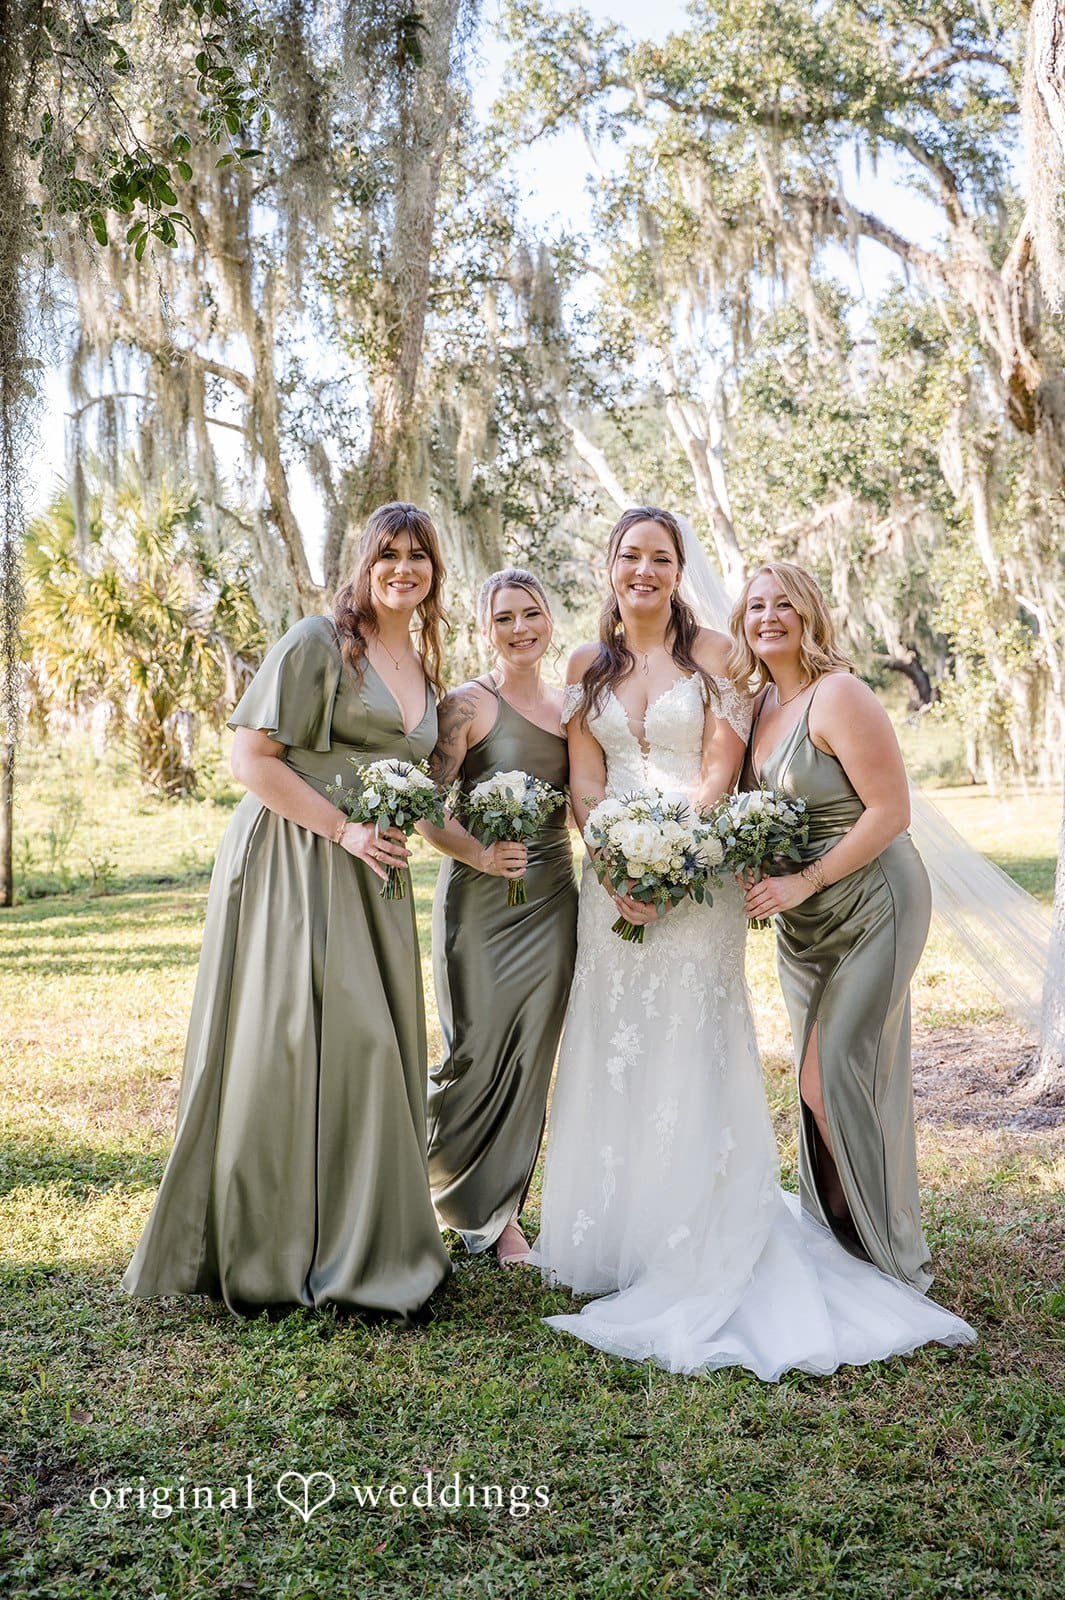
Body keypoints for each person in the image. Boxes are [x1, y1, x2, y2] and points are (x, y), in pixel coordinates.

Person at [531, 508, 975, 1379]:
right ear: (610, 567)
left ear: (679, 568)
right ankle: (635, 1234)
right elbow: (585, 780)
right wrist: (613, 855)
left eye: (661, 557)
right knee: (618, 1050)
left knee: (715, 1053)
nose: (644, 570)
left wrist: (670, 857)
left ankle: (857, 1244)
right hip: (613, 880)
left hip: (696, 882)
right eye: (630, 556)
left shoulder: (721, 662)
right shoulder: (585, 666)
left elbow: (718, 773)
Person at [123, 503, 451, 1317]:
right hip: (296, 858)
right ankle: (274, 1250)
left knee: (368, 1046)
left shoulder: (425, 669)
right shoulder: (318, 642)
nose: (402, 570)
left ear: (435, 571)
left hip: (373, 874)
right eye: (387, 557)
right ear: (362, 566)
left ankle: (368, 1241)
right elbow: (249, 757)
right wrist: (340, 829)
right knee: (295, 1042)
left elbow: (424, 788)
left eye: (417, 556)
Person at [735, 561, 934, 1290]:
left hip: (873, 901)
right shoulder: (754, 707)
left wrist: (805, 879)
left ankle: (887, 1256)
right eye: (755, 605)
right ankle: (842, 1237)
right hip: (802, 924)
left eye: (783, 604)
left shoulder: (839, 694)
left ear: (810, 613)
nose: (768, 617)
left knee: (831, 1080)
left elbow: (890, 812)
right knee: (825, 1082)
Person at [418, 569, 578, 1265]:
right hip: (479, 900)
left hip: (552, 900)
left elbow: (585, 798)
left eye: (531, 614)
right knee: (473, 1052)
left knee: (530, 1058)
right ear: (484, 628)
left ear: (548, 620)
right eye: (504, 618)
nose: (520, 629)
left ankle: (500, 1212)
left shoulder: (573, 707)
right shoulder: (465, 705)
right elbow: (426, 807)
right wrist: (480, 856)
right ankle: (423, 1181)